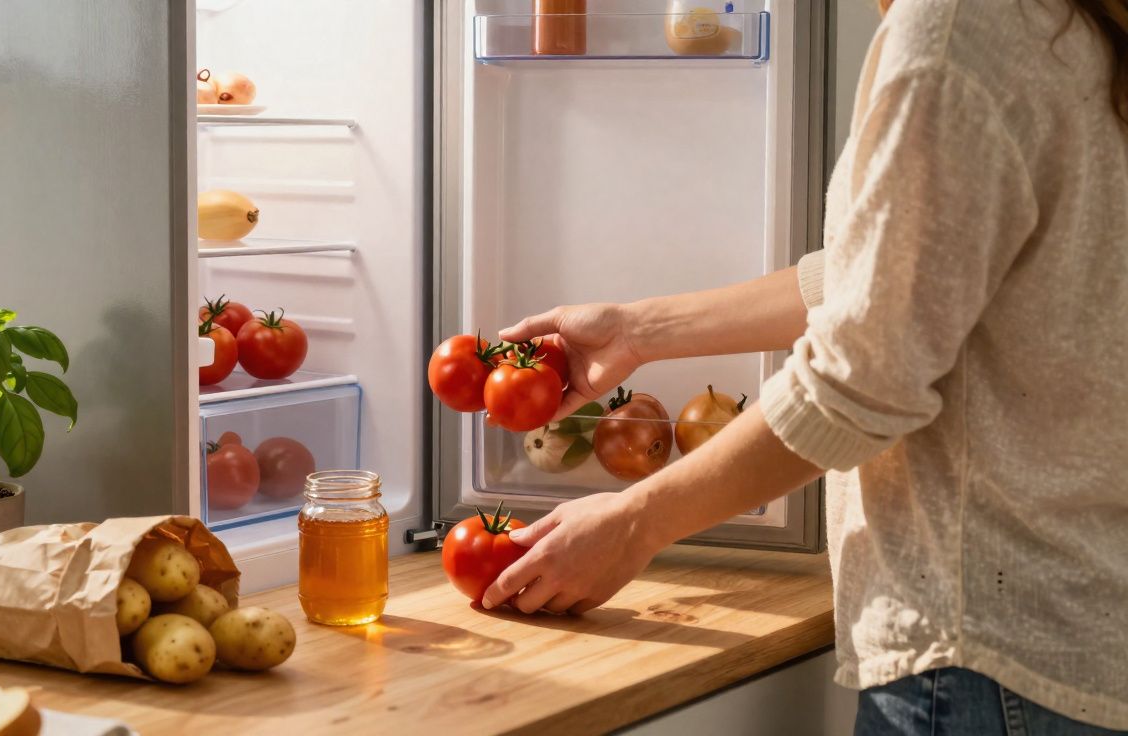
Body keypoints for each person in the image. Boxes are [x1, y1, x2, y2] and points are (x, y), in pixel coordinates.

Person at [479, 0, 1128, 733]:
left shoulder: (960, 25)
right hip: (1079, 631)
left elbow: (857, 382)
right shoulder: (1070, 23)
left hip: (981, 660)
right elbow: (882, 277)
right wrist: (637, 331)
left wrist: (635, 523)